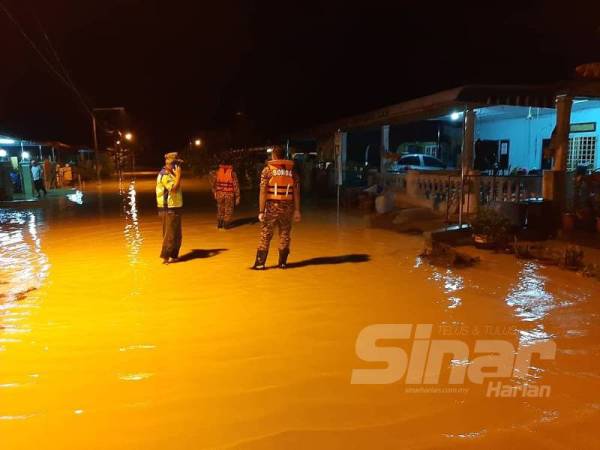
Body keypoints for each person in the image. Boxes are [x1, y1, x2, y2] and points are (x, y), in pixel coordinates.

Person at [252, 146, 301, 270]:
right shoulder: (292, 171)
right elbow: (296, 192)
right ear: (284, 156)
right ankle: (283, 263)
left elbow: (263, 191)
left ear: (273, 155)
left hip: (271, 206)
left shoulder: (267, 170)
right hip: (288, 207)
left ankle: (260, 263)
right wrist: (297, 210)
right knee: (285, 233)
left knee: (266, 234)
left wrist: (261, 211)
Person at [156, 152, 183, 264]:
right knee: (170, 234)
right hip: (168, 208)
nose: (179, 166)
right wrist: (179, 175)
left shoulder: (171, 173)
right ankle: (165, 257)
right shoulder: (165, 175)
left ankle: (174, 256)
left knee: (177, 234)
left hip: (175, 207)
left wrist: (176, 175)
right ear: (172, 163)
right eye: (177, 164)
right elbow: (174, 189)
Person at [210, 157, 240, 229]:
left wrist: (214, 192)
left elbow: (213, 184)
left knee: (220, 208)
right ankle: (226, 224)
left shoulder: (217, 172)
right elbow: (236, 185)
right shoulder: (232, 173)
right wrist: (238, 197)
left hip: (220, 193)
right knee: (228, 209)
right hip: (229, 194)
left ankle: (220, 223)